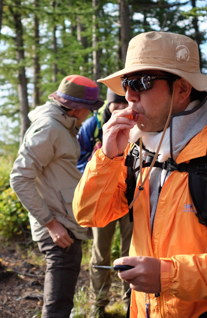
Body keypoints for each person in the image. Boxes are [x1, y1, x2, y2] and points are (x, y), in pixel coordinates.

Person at [73, 31, 207, 317]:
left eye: (141, 82)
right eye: (126, 83)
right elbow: (90, 214)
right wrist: (108, 158)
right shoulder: (139, 151)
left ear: (182, 89)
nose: (129, 95)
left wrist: (167, 276)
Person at [10, 75, 104, 318]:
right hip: (59, 229)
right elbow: (19, 178)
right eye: (89, 109)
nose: (89, 115)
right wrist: (51, 224)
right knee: (58, 307)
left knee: (61, 302)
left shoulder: (62, 127)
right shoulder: (49, 128)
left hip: (65, 222)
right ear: (77, 108)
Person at [77, 89, 133, 317]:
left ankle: (132, 303)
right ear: (108, 105)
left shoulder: (138, 124)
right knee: (100, 253)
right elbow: (79, 158)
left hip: (131, 199)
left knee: (131, 252)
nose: (119, 108)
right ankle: (98, 304)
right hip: (102, 199)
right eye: (115, 103)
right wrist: (98, 166)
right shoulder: (93, 126)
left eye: (123, 102)